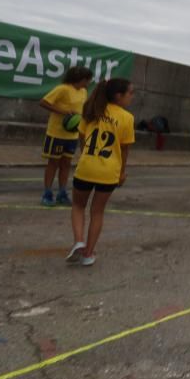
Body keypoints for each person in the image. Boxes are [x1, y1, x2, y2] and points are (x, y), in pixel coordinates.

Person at [65, 78, 135, 267]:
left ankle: (78, 241)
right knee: (97, 212)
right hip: (108, 171)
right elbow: (125, 149)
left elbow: (82, 137)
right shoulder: (126, 118)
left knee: (78, 206)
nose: (132, 97)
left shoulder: (91, 111)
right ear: (118, 96)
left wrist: (86, 156)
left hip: (87, 166)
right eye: (130, 93)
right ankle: (88, 253)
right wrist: (121, 173)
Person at [38, 66, 93, 206]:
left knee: (66, 164)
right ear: (80, 79)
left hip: (72, 135)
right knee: (53, 163)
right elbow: (43, 102)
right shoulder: (62, 89)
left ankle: (62, 193)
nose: (88, 83)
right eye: (87, 80)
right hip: (56, 133)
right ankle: (47, 193)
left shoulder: (83, 92)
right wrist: (63, 111)